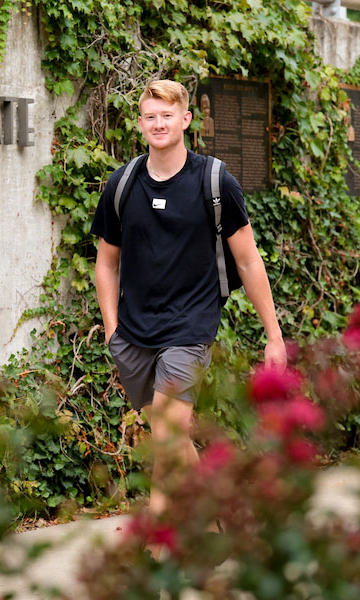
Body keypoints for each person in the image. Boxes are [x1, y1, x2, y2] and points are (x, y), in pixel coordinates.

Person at [91, 79, 286, 521]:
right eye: (150, 116)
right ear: (140, 124)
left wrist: (273, 336)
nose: (158, 123)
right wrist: (111, 328)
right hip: (134, 333)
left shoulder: (215, 181)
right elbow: (106, 262)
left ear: (186, 119)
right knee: (170, 435)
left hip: (190, 328)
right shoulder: (122, 184)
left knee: (164, 439)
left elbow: (249, 261)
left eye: (167, 114)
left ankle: (161, 557)